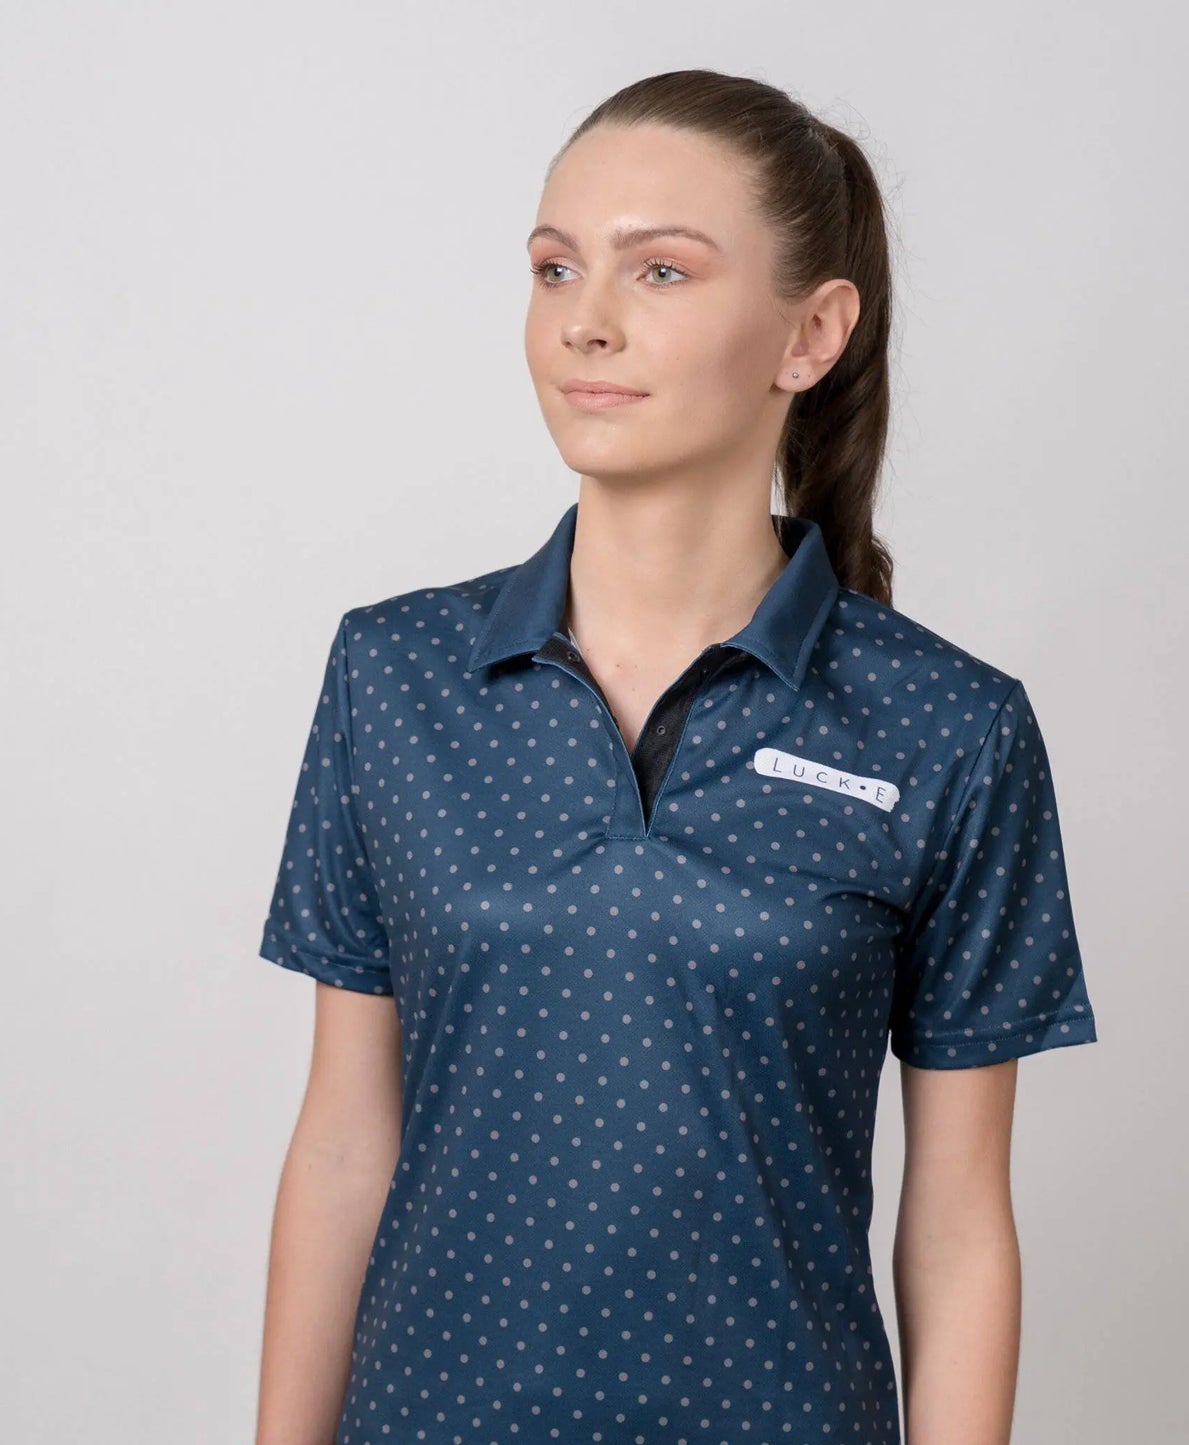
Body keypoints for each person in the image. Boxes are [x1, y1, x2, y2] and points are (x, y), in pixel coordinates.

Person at [250, 68, 1098, 1445]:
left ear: (811, 333)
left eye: (659, 271)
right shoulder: (393, 678)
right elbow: (344, 1142)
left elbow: (955, 1225)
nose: (584, 320)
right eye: (554, 267)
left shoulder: (947, 726)